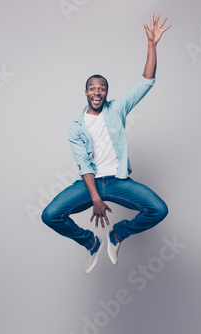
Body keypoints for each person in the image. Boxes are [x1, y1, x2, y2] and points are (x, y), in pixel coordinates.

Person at [42, 13, 171, 273]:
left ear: (106, 93)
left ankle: (118, 234)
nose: (97, 91)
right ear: (86, 92)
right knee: (50, 215)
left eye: (101, 88)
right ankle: (90, 242)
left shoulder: (117, 110)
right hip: (88, 184)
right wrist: (95, 198)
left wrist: (152, 45)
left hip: (118, 181)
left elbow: (146, 82)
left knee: (158, 209)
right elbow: (84, 164)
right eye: (92, 87)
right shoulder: (75, 127)